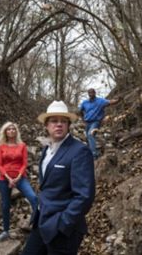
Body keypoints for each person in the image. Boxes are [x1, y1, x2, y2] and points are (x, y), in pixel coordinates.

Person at [21, 100, 95, 255]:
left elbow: (84, 195)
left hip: (62, 228)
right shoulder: (47, 150)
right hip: (42, 221)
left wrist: (64, 223)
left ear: (68, 125)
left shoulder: (79, 151)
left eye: (63, 121)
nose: (59, 125)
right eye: (54, 121)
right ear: (46, 126)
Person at [0, 122, 38, 242]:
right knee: (5, 205)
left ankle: (36, 227)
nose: (12, 130)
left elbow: (24, 163)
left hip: (20, 178)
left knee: (34, 198)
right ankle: (5, 231)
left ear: (16, 131)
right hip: (5, 179)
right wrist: (8, 178)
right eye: (9, 129)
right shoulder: (1, 146)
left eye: (13, 129)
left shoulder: (22, 145)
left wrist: (18, 177)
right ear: (5, 132)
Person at [79, 88, 119, 159]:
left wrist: (117, 100)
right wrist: (83, 118)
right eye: (89, 93)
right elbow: (80, 110)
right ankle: (90, 153)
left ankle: (94, 155)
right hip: (87, 122)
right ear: (88, 94)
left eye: (92, 93)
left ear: (95, 93)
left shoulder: (100, 101)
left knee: (90, 134)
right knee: (87, 138)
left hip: (95, 122)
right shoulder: (85, 102)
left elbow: (110, 102)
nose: (91, 94)